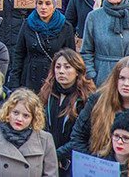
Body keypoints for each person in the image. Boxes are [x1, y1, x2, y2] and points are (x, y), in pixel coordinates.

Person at [59, 57, 129, 166]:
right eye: (121, 78)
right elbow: (78, 137)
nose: (126, 84)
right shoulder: (98, 101)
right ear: (115, 79)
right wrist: (94, 164)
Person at [37, 49, 95, 177]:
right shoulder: (46, 94)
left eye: (67, 67)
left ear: (77, 71)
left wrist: (56, 155)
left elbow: (84, 137)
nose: (61, 71)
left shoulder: (86, 99)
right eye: (58, 67)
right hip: (46, 159)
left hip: (74, 162)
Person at [9, 0, 76, 93]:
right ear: (35, 5)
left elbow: (71, 58)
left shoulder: (65, 27)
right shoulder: (27, 24)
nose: (43, 7)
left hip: (54, 80)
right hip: (30, 79)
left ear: (54, 6)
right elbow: (19, 54)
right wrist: (14, 84)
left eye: (47, 3)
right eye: (40, 3)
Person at [0, 88, 59, 177]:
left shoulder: (45, 139)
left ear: (33, 118)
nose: (19, 119)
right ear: (8, 112)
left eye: (26, 115)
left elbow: (51, 174)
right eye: (16, 113)